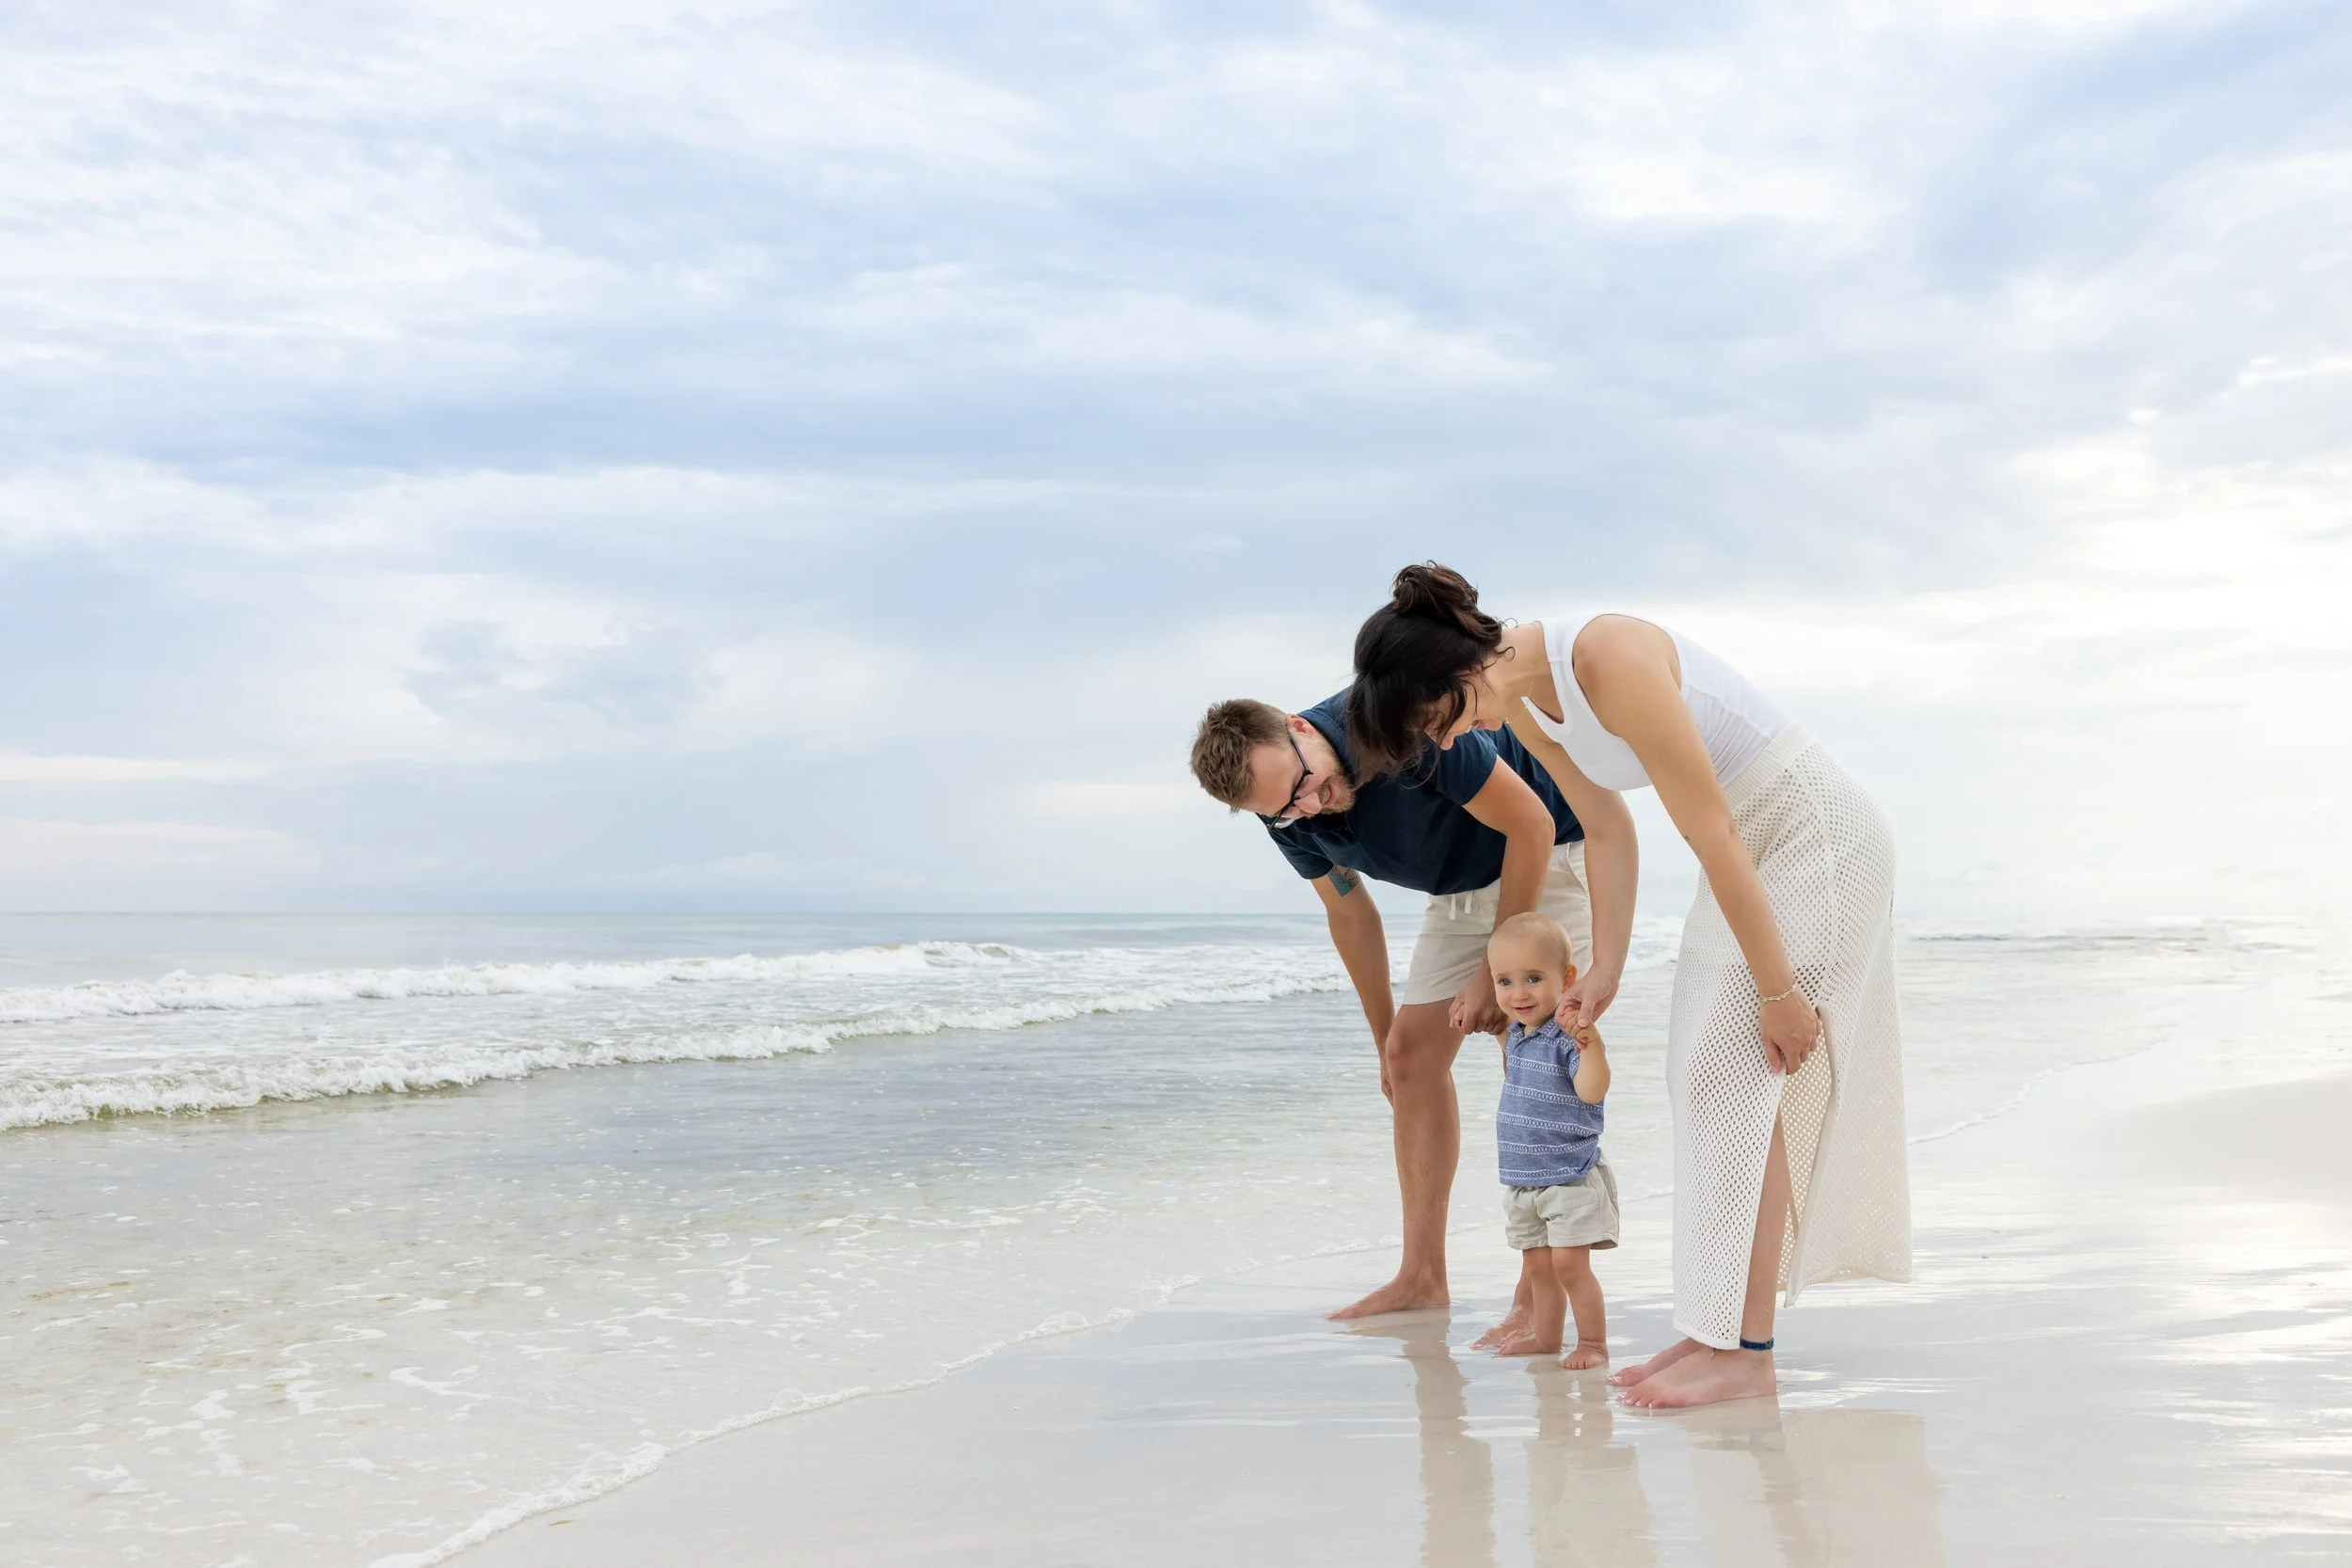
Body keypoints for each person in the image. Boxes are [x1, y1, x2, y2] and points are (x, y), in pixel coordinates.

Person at [1347, 564, 1910, 1408]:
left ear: (1459, 673)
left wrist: (1778, 991)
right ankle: (1714, 1331)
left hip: (1812, 835)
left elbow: (1711, 828)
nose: (1441, 743)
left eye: (1433, 722)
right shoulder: (1525, 705)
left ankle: (1747, 1353)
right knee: (1702, 1078)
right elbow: (1606, 826)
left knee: (1736, 1078)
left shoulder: (1606, 655)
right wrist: (1605, 965)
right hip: (1749, 849)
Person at [1188, 689, 1610, 1320]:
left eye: (1304, 785)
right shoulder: (1284, 809)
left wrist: (1487, 974)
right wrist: (1384, 1039)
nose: (1310, 807)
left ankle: (1539, 1293)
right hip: (1462, 885)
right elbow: (1349, 913)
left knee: (1533, 1055)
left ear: (1300, 727)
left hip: (1545, 853)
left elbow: (1531, 824)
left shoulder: (1397, 720)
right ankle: (1421, 1279)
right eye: (1286, 809)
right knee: (1411, 1057)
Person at [1485, 911, 1617, 1370]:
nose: (1518, 993)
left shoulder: (1569, 1038)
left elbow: (1592, 1090)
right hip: (1524, 1180)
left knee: (1569, 1267)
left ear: (1568, 979)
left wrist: (1591, 1045)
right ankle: (1546, 1337)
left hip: (1569, 1174)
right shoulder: (1516, 1037)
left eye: (1534, 978)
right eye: (1504, 981)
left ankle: (1593, 1344)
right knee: (1538, 1268)